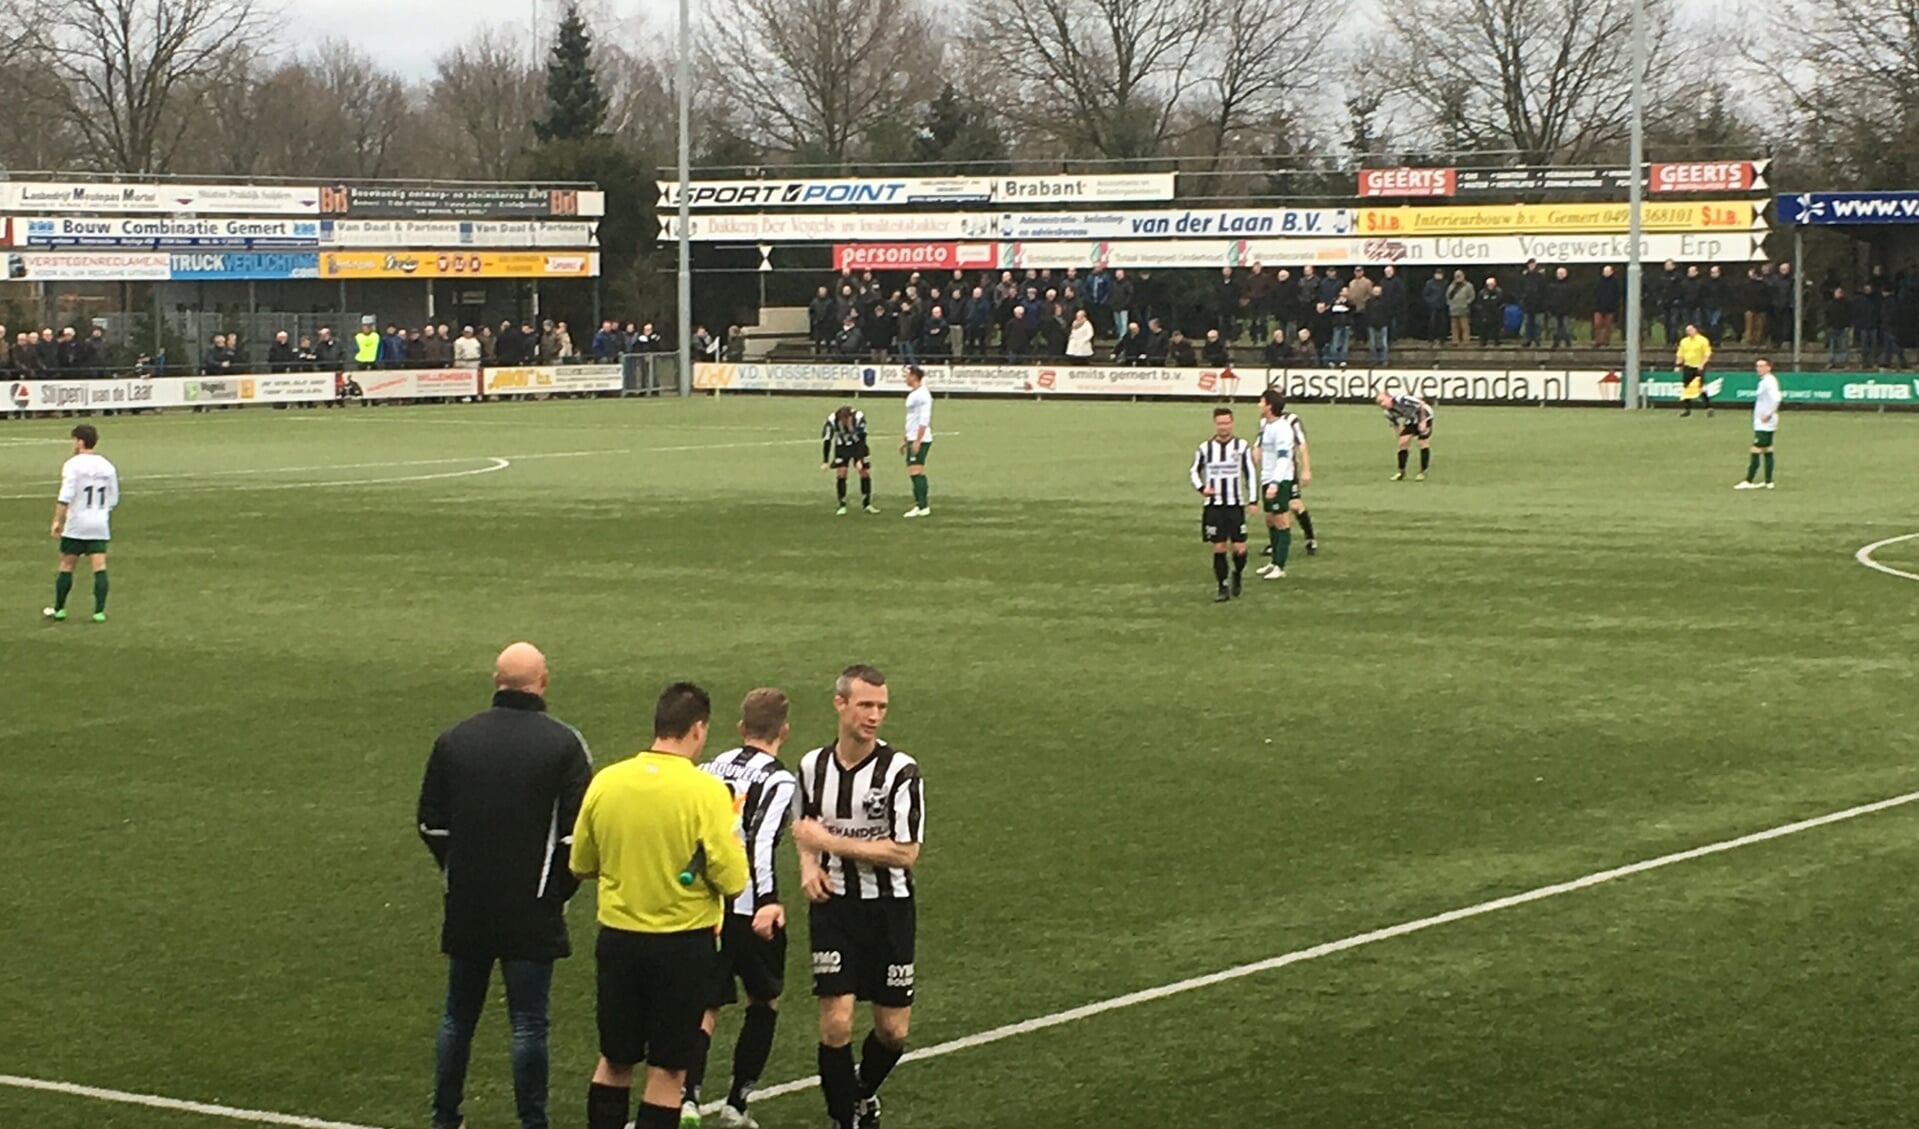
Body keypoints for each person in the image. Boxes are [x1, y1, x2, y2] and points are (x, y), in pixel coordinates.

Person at [417, 643, 593, 1129]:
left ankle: (444, 1117)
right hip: (532, 909)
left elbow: (430, 823)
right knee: (528, 1025)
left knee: (457, 1019)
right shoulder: (563, 744)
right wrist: (554, 890)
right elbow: (578, 838)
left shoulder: (455, 739)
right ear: (543, 681)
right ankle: (532, 1122)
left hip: (468, 904)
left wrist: (457, 874)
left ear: (495, 680)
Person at [571, 683, 749, 1129]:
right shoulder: (707, 791)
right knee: (669, 1069)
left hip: (618, 941)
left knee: (614, 1059)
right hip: (681, 947)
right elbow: (732, 880)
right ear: (697, 728)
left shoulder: (606, 782)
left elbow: (582, 864)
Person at [794, 665, 926, 1129]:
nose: (874, 716)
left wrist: (829, 845)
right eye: (866, 705)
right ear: (840, 704)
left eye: (881, 707)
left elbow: (904, 852)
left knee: (893, 1031)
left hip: (889, 910)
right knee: (836, 1023)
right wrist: (809, 866)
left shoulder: (900, 771)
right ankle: (841, 1118)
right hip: (835, 908)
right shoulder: (812, 767)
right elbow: (803, 828)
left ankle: (860, 1092)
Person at [683, 690, 799, 1129]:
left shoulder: (709, 767)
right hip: (751, 906)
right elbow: (763, 843)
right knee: (763, 999)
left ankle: (687, 1097)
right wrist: (768, 901)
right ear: (783, 732)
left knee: (705, 1004)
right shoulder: (780, 780)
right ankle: (736, 1103)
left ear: (740, 727)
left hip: (708, 905)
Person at [43, 424, 118, 624]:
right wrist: (101, 512)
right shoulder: (107, 465)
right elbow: (113, 497)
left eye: (74, 440)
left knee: (66, 564)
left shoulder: (73, 464)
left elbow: (65, 495)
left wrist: (57, 520)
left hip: (77, 523)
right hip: (99, 523)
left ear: (80, 441)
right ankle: (99, 612)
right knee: (99, 567)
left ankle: (59, 609)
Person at [1189, 407, 1255, 602]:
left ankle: (1237, 573)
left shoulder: (1242, 446)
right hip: (1214, 506)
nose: (1223, 427)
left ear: (1232, 423)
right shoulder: (1205, 448)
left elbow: (1250, 473)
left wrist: (1252, 500)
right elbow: (1193, 471)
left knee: (1239, 548)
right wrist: (1202, 489)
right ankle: (1222, 585)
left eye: (1226, 423)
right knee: (1218, 546)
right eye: (1220, 423)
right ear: (1215, 424)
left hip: (1235, 505)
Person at [1252, 390, 1300, 580]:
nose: (1258, 405)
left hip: (1279, 480)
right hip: (1267, 478)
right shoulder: (1266, 425)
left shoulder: (1282, 428)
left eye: (1261, 401)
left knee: (1281, 521)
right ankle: (1273, 561)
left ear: (1269, 406)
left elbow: (1283, 457)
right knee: (1270, 519)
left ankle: (1280, 566)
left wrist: (1276, 482)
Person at [823, 406, 879, 516]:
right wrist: (825, 460)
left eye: (846, 419)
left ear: (850, 417)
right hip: (842, 447)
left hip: (858, 445)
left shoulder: (859, 418)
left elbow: (862, 439)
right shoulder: (831, 421)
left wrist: (859, 459)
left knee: (864, 472)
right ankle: (842, 504)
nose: (844, 422)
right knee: (841, 473)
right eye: (842, 420)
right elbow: (827, 440)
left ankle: (867, 504)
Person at [1735, 359, 1781, 490]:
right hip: (1763, 421)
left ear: (1769, 367)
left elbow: (1777, 398)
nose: (1758, 368)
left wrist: (1769, 414)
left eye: (1762, 366)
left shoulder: (1769, 382)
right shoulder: (1765, 381)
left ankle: (1749, 480)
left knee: (1755, 449)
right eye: (1757, 366)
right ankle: (1768, 481)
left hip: (1765, 422)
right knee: (1768, 450)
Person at [1377, 391, 1434, 481]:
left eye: (1382, 401)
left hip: (1425, 415)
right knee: (1402, 443)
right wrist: (1402, 438)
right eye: (1379, 403)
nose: (1381, 404)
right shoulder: (1388, 413)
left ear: (1389, 397)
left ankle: (1423, 472)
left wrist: (1423, 422)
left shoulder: (1402, 399)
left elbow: (1421, 404)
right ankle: (1401, 472)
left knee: (1422, 441)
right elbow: (1396, 426)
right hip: (1411, 419)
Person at [901, 365, 933, 519]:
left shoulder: (923, 395)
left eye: (906, 375)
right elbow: (911, 419)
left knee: (916, 471)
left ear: (914, 376)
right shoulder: (914, 393)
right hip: (912, 436)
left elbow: (924, 419)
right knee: (914, 471)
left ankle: (922, 506)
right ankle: (920, 505)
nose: (905, 378)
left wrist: (917, 440)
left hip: (919, 438)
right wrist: (905, 438)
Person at [1675, 323, 1714, 417]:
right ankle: (1687, 409)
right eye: (1687, 330)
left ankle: (1708, 407)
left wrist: (1702, 364)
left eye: (1690, 330)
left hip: (1698, 367)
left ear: (1695, 330)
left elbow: (1707, 354)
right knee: (1686, 388)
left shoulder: (1703, 340)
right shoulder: (1684, 341)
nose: (1689, 332)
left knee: (1699, 388)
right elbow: (1680, 354)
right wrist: (1678, 365)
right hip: (1688, 366)